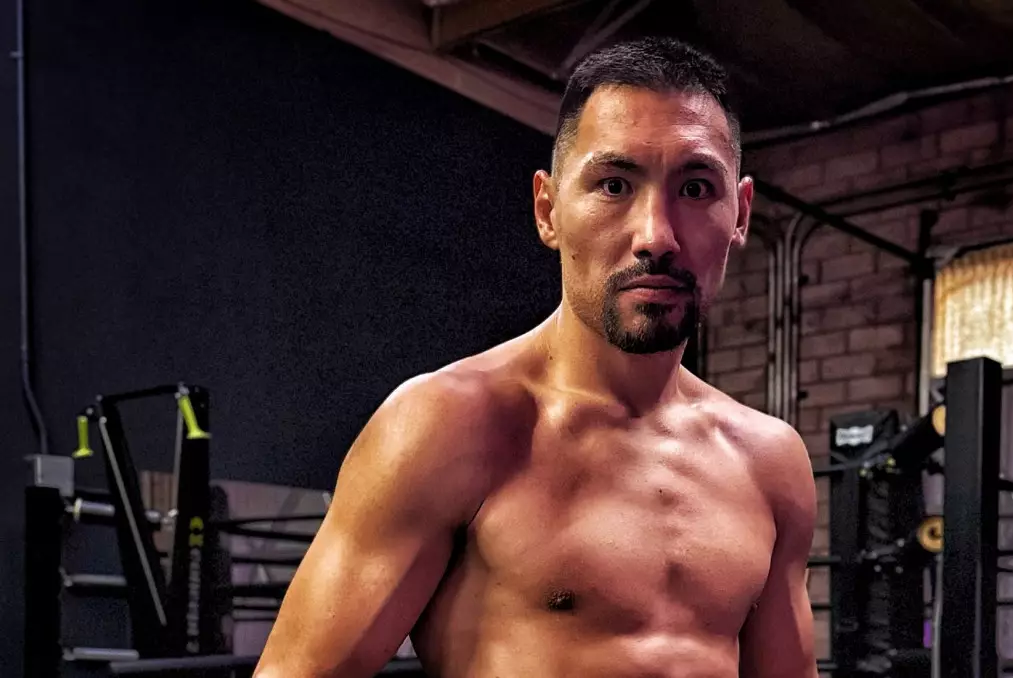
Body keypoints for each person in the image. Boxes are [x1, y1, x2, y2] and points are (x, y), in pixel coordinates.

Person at [254, 37, 818, 678]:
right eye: (614, 185)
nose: (656, 235)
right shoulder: (448, 426)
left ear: (740, 214)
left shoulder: (771, 463)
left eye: (695, 188)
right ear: (548, 210)